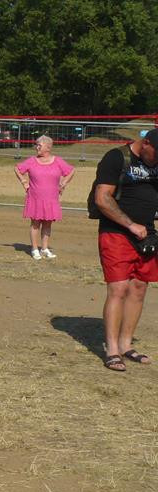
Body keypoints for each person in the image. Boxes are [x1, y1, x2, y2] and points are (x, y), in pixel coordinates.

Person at [93, 129, 158, 372]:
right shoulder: (116, 158)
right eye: (156, 154)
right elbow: (103, 198)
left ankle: (126, 345)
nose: (156, 159)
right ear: (146, 143)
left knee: (139, 288)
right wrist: (130, 224)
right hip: (116, 232)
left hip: (147, 235)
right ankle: (111, 350)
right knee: (118, 288)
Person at [14, 135, 75, 260]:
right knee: (35, 224)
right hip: (35, 198)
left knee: (47, 224)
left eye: (39, 145)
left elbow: (71, 171)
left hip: (51, 199)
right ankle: (35, 249)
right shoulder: (31, 160)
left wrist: (63, 183)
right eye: (36, 145)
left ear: (48, 147)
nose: (37, 147)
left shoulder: (58, 161)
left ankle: (45, 248)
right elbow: (17, 168)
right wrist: (24, 182)